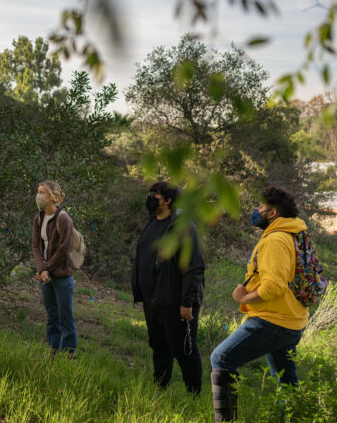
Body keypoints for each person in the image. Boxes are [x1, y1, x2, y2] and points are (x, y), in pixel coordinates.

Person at [209, 186, 309, 422]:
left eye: (261, 207)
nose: (256, 211)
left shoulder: (276, 239)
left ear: (273, 213)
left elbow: (274, 286)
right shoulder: (293, 234)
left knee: (221, 358)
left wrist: (245, 298)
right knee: (286, 382)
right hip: (292, 320)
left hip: (273, 320)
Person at [131, 181, 205, 395]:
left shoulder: (183, 227)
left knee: (184, 349)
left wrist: (187, 302)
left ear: (169, 200)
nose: (150, 197)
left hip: (174, 300)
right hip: (152, 298)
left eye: (155, 194)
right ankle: (159, 389)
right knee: (159, 347)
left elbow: (194, 267)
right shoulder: (153, 221)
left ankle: (194, 395)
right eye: (150, 193)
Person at [31, 181, 77, 355]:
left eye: (42, 192)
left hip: (62, 275)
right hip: (45, 275)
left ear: (52, 196)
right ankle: (53, 349)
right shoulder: (39, 217)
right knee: (51, 315)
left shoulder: (64, 218)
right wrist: (41, 269)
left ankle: (69, 353)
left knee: (66, 316)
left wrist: (45, 269)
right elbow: (35, 245)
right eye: (38, 191)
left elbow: (63, 249)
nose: (39, 195)